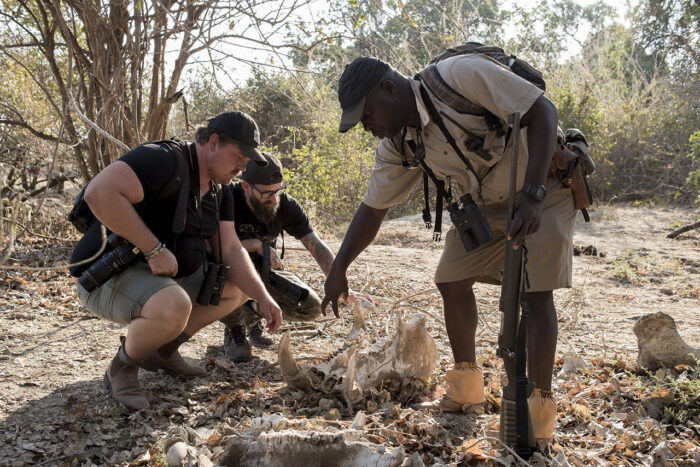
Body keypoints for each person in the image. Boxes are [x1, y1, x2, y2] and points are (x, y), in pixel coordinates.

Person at [323, 56, 584, 448]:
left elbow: (543, 111)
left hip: (541, 188)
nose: (368, 127)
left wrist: (533, 195)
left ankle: (537, 416)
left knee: (534, 295)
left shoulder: (459, 77)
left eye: (367, 115)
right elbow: (373, 209)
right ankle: (465, 390)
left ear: (389, 89)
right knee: (450, 279)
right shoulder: (399, 143)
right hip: (484, 207)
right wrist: (338, 267)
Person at [69, 112, 283, 411]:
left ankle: (163, 352)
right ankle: (122, 368)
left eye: (247, 162)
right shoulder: (163, 159)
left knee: (239, 285)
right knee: (174, 304)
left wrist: (264, 298)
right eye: (238, 157)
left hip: (167, 281)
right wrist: (153, 249)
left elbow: (231, 249)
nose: (241, 167)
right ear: (213, 142)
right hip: (105, 277)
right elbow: (99, 192)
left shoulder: (220, 189)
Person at [218, 152, 374, 362]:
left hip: (265, 274)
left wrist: (341, 282)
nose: (274, 198)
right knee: (220, 272)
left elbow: (316, 246)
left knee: (309, 307)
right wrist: (256, 245)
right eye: (266, 193)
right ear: (246, 186)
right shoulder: (225, 197)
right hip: (229, 271)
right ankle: (234, 328)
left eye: (277, 191)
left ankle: (252, 314)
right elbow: (214, 249)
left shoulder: (286, 205)